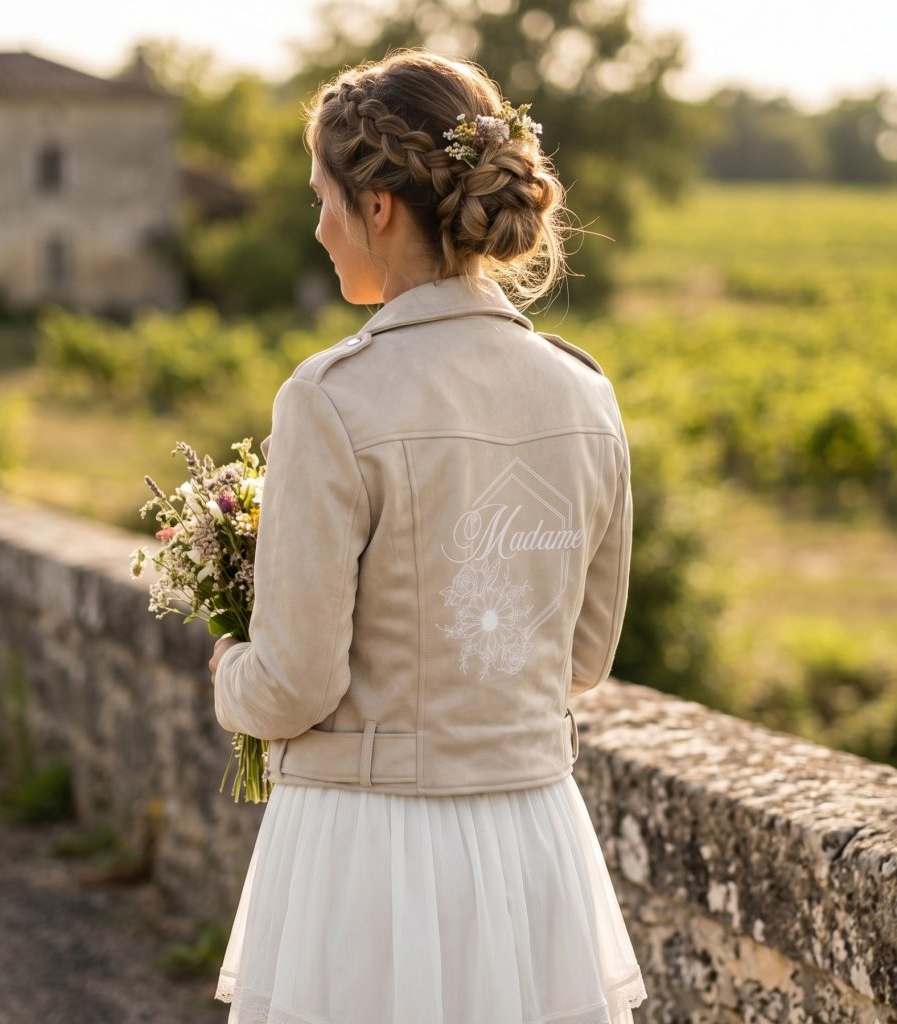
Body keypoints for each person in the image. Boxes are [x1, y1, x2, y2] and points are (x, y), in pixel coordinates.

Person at [208, 47, 647, 1024]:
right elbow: (583, 657)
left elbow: (296, 684)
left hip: (371, 846)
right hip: (530, 833)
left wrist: (229, 667)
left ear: (377, 208)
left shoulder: (331, 399)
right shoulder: (586, 394)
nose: (316, 225)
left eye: (322, 196)